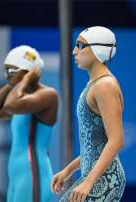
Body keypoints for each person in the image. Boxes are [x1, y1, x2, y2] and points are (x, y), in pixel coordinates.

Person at [51, 26, 126, 202]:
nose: (74, 51)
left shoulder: (105, 86)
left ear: (98, 49)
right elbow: (95, 147)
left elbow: (116, 140)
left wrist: (89, 182)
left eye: (80, 45)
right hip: (100, 176)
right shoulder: (95, 85)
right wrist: (68, 170)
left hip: (105, 179)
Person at [0, 45, 58, 202]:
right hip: (17, 176)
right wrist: (12, 83)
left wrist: (23, 81)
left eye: (11, 71)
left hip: (33, 173)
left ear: (28, 72)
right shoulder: (22, 100)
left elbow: (10, 105)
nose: (6, 76)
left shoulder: (47, 95)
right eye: (5, 71)